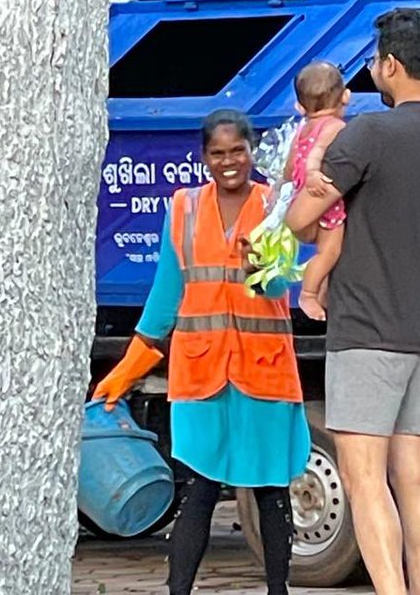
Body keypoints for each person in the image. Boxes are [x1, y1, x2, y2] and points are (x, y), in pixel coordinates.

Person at [286, 8, 420, 595]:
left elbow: (300, 219)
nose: (372, 72)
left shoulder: (371, 133)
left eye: (374, 62)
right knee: (416, 475)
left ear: (391, 64)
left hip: (366, 330)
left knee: (365, 478)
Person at [93, 110, 310, 595]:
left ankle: (280, 590)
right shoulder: (183, 209)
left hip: (263, 372)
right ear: (203, 157)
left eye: (238, 151)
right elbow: (164, 299)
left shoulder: (277, 204)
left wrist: (263, 263)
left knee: (272, 490)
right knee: (198, 490)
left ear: (253, 153)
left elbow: (279, 286)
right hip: (201, 374)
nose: (229, 161)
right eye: (218, 153)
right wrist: (126, 371)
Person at [284, 60, 349, 321]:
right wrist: (313, 173)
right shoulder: (335, 127)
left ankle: (322, 290)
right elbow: (319, 153)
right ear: (346, 97)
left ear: (299, 106)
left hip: (303, 199)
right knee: (330, 251)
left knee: (330, 252)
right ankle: (309, 294)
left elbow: (289, 167)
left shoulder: (302, 128)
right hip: (326, 203)